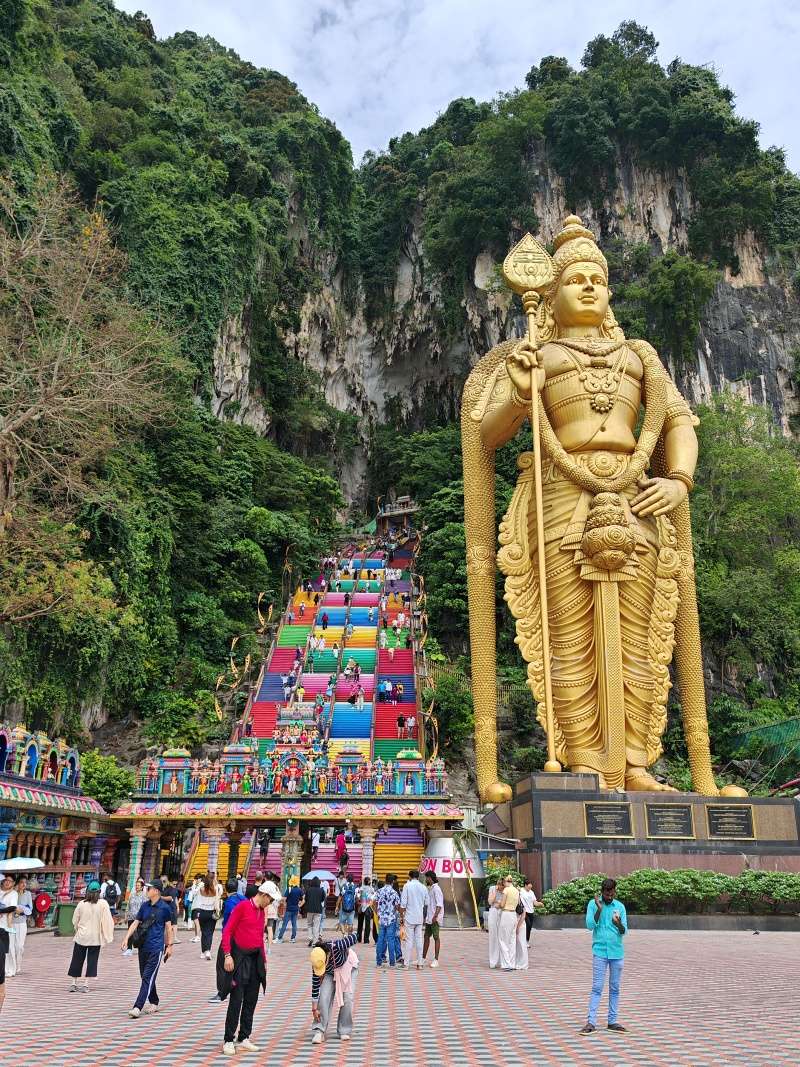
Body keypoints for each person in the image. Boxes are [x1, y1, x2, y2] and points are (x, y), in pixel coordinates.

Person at [218, 879, 281, 1056]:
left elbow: (259, 937)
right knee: (236, 999)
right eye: (271, 899)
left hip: (255, 960)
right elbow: (227, 931)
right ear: (263, 895)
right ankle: (228, 1039)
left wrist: (265, 960)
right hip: (240, 959)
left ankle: (244, 1037)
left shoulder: (262, 912)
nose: (271, 903)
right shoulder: (243, 907)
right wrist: (228, 955)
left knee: (251, 1000)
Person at [580, 878, 628, 1036]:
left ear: (615, 891)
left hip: (616, 952)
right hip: (600, 952)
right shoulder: (593, 904)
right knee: (597, 987)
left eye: (612, 893)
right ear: (602, 892)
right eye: (607, 894)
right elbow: (589, 926)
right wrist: (599, 910)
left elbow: (624, 931)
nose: (609, 896)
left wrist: (618, 924)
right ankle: (591, 1022)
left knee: (615, 988)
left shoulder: (619, 907)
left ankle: (612, 1021)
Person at [122, 880, 174, 1018]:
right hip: (143, 947)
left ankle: (137, 1007)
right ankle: (154, 1001)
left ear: (156, 890)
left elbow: (169, 928)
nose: (146, 890)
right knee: (145, 976)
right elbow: (135, 923)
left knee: (147, 977)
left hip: (156, 948)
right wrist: (126, 938)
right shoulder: (144, 906)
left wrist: (169, 946)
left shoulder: (165, 908)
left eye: (149, 888)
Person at [310, 932, 359, 1045]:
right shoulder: (316, 958)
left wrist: (346, 939)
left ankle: (344, 1029)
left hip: (348, 967)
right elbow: (316, 983)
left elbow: (354, 937)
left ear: (327, 956)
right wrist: (314, 1007)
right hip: (330, 972)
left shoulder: (336, 946)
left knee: (347, 997)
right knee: (324, 996)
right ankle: (319, 1030)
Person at [67, 880, 115, 992]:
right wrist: (107, 935)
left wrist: (77, 929)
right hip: (95, 937)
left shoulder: (81, 904)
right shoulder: (103, 904)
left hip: (81, 936)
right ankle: (85, 984)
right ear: (99, 892)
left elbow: (75, 920)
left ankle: (73, 983)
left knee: (77, 959)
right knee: (92, 961)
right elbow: (108, 921)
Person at [399, 869, 427, 969]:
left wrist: (401, 916)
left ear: (410, 877)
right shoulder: (423, 887)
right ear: (418, 877)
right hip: (419, 917)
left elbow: (403, 903)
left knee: (408, 941)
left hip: (409, 917)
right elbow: (426, 903)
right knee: (419, 940)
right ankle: (420, 963)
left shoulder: (407, 886)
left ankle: (406, 964)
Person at [496, 875, 521, 971]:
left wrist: (498, 904)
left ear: (506, 882)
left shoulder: (506, 890)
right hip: (514, 915)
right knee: (512, 940)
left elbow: (502, 904)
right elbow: (518, 903)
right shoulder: (516, 890)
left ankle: (506, 964)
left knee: (503, 939)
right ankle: (512, 963)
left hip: (506, 914)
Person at [375, 875, 400, 968]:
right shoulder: (394, 892)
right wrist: (394, 912)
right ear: (392, 881)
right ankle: (392, 963)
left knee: (380, 940)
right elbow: (397, 906)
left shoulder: (379, 891)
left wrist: (377, 912)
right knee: (391, 940)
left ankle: (378, 962)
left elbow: (375, 902)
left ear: (385, 881)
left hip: (381, 919)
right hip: (391, 919)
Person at [195, 874, 220, 960]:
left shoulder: (201, 889)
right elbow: (217, 902)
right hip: (211, 912)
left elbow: (197, 898)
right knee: (210, 932)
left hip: (202, 912)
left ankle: (202, 952)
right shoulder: (215, 889)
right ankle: (208, 951)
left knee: (204, 932)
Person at [422, 871, 444, 968]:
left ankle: (436, 960)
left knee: (436, 937)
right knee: (426, 936)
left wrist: (435, 916)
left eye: (426, 878)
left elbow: (439, 904)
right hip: (429, 918)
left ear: (430, 878)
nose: (425, 880)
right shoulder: (430, 888)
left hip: (434, 918)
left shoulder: (437, 889)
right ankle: (423, 958)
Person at [11, 876, 32, 974]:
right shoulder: (13, 894)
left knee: (20, 946)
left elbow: (29, 909)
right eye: (21, 882)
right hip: (11, 923)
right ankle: (13, 966)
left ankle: (18, 965)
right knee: (12, 946)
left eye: (25, 883)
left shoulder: (28, 894)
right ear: (17, 884)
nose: (23, 884)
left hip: (22, 923)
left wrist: (21, 911)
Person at [0, 873, 18, 979]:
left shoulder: (14, 894)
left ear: (13, 883)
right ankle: (4, 969)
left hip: (7, 924)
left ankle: (11, 969)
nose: (7, 882)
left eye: (10, 881)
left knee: (9, 948)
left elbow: (12, 907)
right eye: (6, 880)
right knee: (1, 949)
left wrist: (1, 911)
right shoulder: (0, 891)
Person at [277, 876, 304, 942]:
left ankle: (280, 938)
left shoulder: (289, 889)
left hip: (289, 909)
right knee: (294, 924)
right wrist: (299, 906)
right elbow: (303, 899)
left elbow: (284, 899)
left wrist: (285, 904)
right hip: (295, 909)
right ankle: (293, 938)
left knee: (284, 924)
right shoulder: (299, 890)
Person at [520, 879, 545, 943]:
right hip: (524, 912)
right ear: (525, 885)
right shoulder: (521, 891)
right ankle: (524, 941)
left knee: (529, 927)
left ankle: (526, 940)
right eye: (529, 886)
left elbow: (535, 903)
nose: (530, 887)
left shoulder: (531, 892)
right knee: (527, 925)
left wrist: (540, 904)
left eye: (531, 886)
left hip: (531, 912)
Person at [304, 877, 326, 946]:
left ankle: (310, 938)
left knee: (309, 924)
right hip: (318, 910)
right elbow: (322, 899)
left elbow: (306, 899)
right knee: (316, 926)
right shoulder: (321, 890)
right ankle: (315, 942)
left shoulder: (308, 890)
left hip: (309, 909)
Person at [355, 878, 375, 944]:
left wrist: (359, 903)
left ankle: (359, 938)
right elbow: (373, 898)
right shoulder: (372, 889)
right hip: (368, 907)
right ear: (369, 882)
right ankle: (366, 940)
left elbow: (357, 897)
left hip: (361, 907)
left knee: (360, 924)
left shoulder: (361, 888)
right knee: (367, 924)